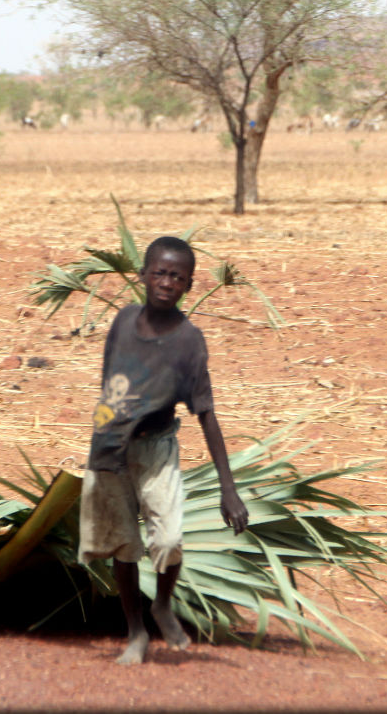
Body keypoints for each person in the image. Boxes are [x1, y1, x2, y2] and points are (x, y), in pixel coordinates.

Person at [78, 235, 249, 664]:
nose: (167, 282)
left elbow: (206, 413)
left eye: (177, 276)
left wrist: (229, 489)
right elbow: (109, 384)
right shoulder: (122, 322)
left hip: (157, 451)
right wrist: (103, 442)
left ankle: (162, 603)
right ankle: (136, 632)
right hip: (111, 449)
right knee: (122, 546)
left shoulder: (189, 342)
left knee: (169, 539)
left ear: (189, 286)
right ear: (143, 275)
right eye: (159, 272)